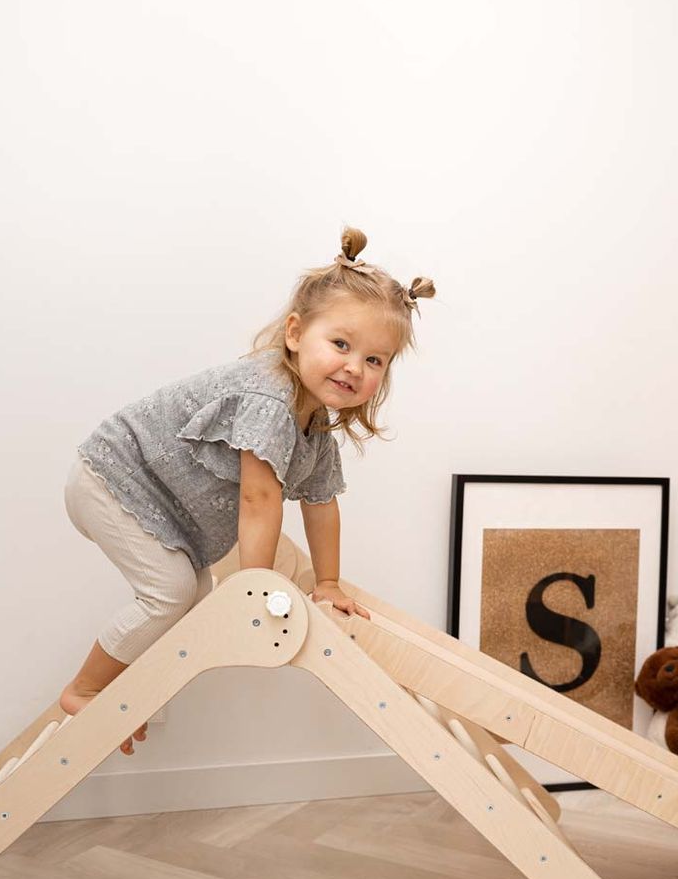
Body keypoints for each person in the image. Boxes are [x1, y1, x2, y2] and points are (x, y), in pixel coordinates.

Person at [60, 227, 435, 754]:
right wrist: (255, 588)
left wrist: (327, 582)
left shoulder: (315, 423)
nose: (355, 366)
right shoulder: (268, 400)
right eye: (342, 344)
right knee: (169, 592)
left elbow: (322, 503)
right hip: (113, 478)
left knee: (192, 597)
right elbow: (259, 502)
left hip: (153, 505)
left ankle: (122, 693)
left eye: (375, 360)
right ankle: (86, 688)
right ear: (295, 332)